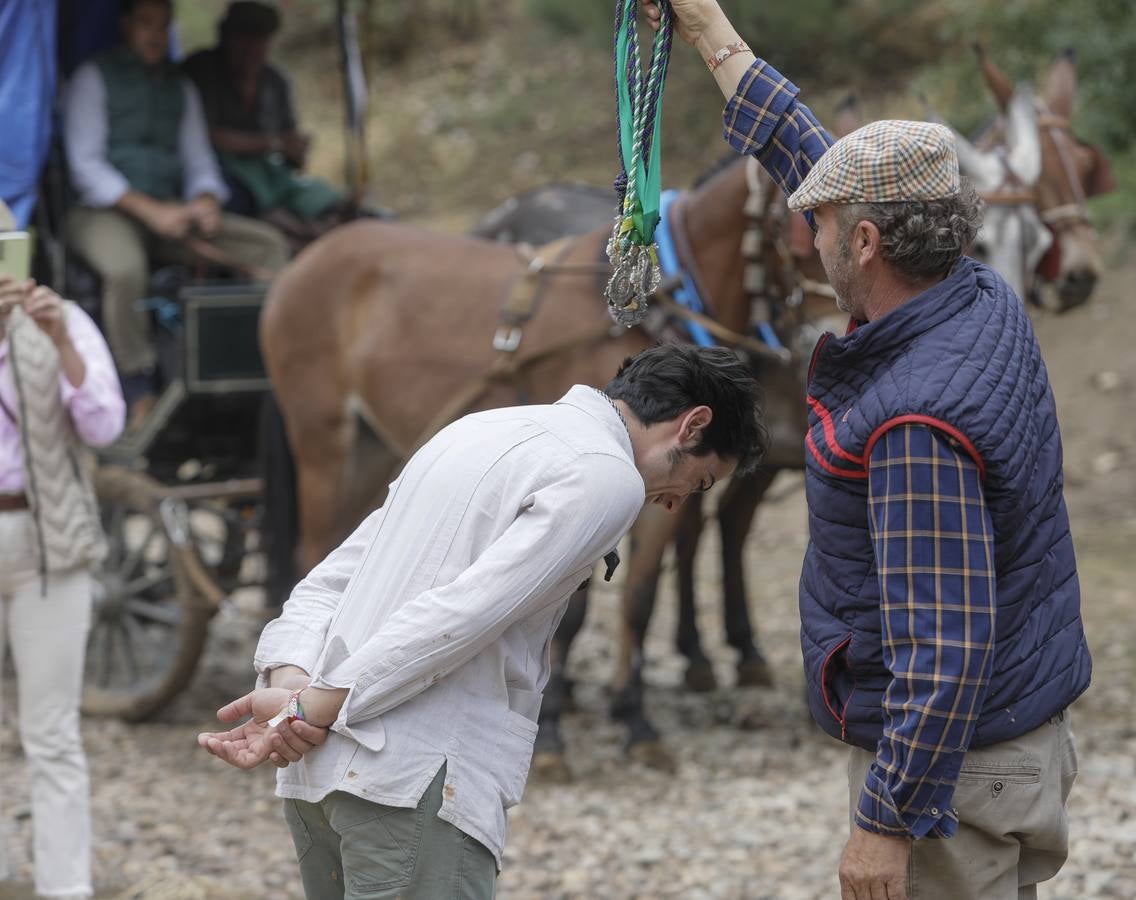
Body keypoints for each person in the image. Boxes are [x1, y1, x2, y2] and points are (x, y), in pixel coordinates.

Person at [649, 3, 1093, 898]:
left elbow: (946, 641)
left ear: (864, 243)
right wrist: (709, 31)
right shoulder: (973, 292)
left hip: (953, 777)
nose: (802, 237)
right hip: (1010, 736)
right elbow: (818, 157)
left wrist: (886, 820)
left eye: (817, 226)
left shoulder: (913, 421)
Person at [196, 343, 766, 897]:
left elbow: (331, 579)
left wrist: (290, 682)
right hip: (414, 778)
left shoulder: (475, 429)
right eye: (703, 481)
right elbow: (465, 613)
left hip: (316, 780)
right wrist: (310, 705)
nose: (679, 501)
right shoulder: (608, 475)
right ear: (692, 426)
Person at [62, 0, 289, 425]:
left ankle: (263, 366)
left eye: (164, 26)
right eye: (146, 24)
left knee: (267, 247)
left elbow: (198, 159)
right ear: (126, 25)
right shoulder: (94, 78)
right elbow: (86, 166)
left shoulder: (179, 87)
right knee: (125, 269)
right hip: (102, 213)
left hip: (169, 212)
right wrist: (152, 213)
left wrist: (205, 200)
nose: (155, 35)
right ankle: (137, 386)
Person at [0, 270, 125, 899]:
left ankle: (64, 889)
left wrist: (60, 345)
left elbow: (104, 427)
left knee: (50, 732)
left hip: (49, 542)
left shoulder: (64, 319)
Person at [182, 2, 347, 245]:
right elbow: (208, 135)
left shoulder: (274, 82)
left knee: (330, 201)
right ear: (225, 37)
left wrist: (295, 149)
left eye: (259, 40)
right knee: (245, 197)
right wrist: (274, 143)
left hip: (269, 172)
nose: (251, 49)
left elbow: (291, 149)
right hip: (222, 170)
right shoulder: (202, 70)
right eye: (243, 39)